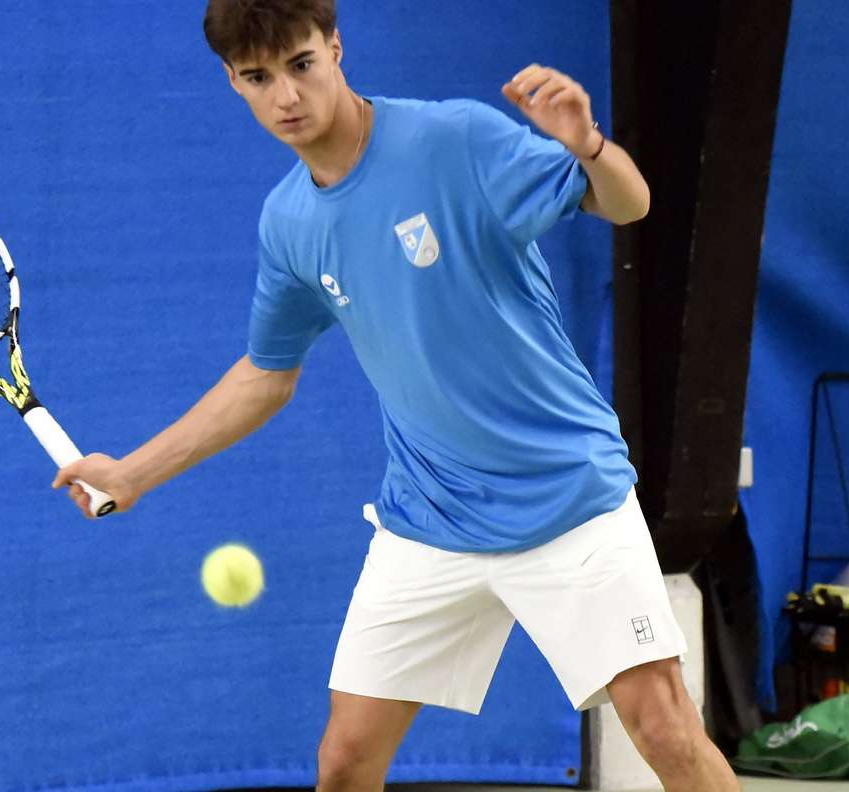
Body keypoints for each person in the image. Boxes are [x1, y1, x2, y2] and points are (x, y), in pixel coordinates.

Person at [53, 1, 740, 790]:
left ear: (336, 47)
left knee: (663, 725)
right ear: (231, 82)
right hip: (431, 518)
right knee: (345, 761)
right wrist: (134, 472)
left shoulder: (452, 141)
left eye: (301, 64)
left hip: (567, 498)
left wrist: (587, 145)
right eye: (258, 78)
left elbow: (628, 203)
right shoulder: (289, 222)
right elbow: (266, 374)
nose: (286, 97)